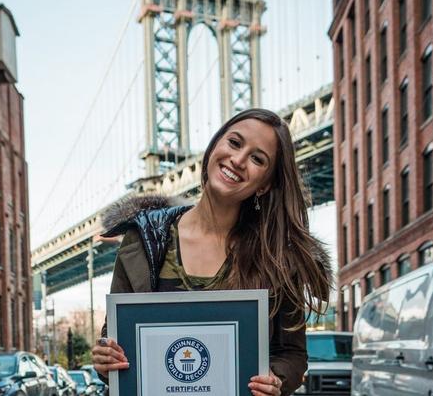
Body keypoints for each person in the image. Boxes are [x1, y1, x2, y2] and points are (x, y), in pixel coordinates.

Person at [92, 109, 332, 395]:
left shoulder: (277, 258)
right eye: (234, 143)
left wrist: (276, 380)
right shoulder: (142, 239)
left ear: (265, 184)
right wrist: (106, 360)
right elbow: (116, 340)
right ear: (215, 145)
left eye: (257, 159)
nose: (239, 160)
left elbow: (292, 355)